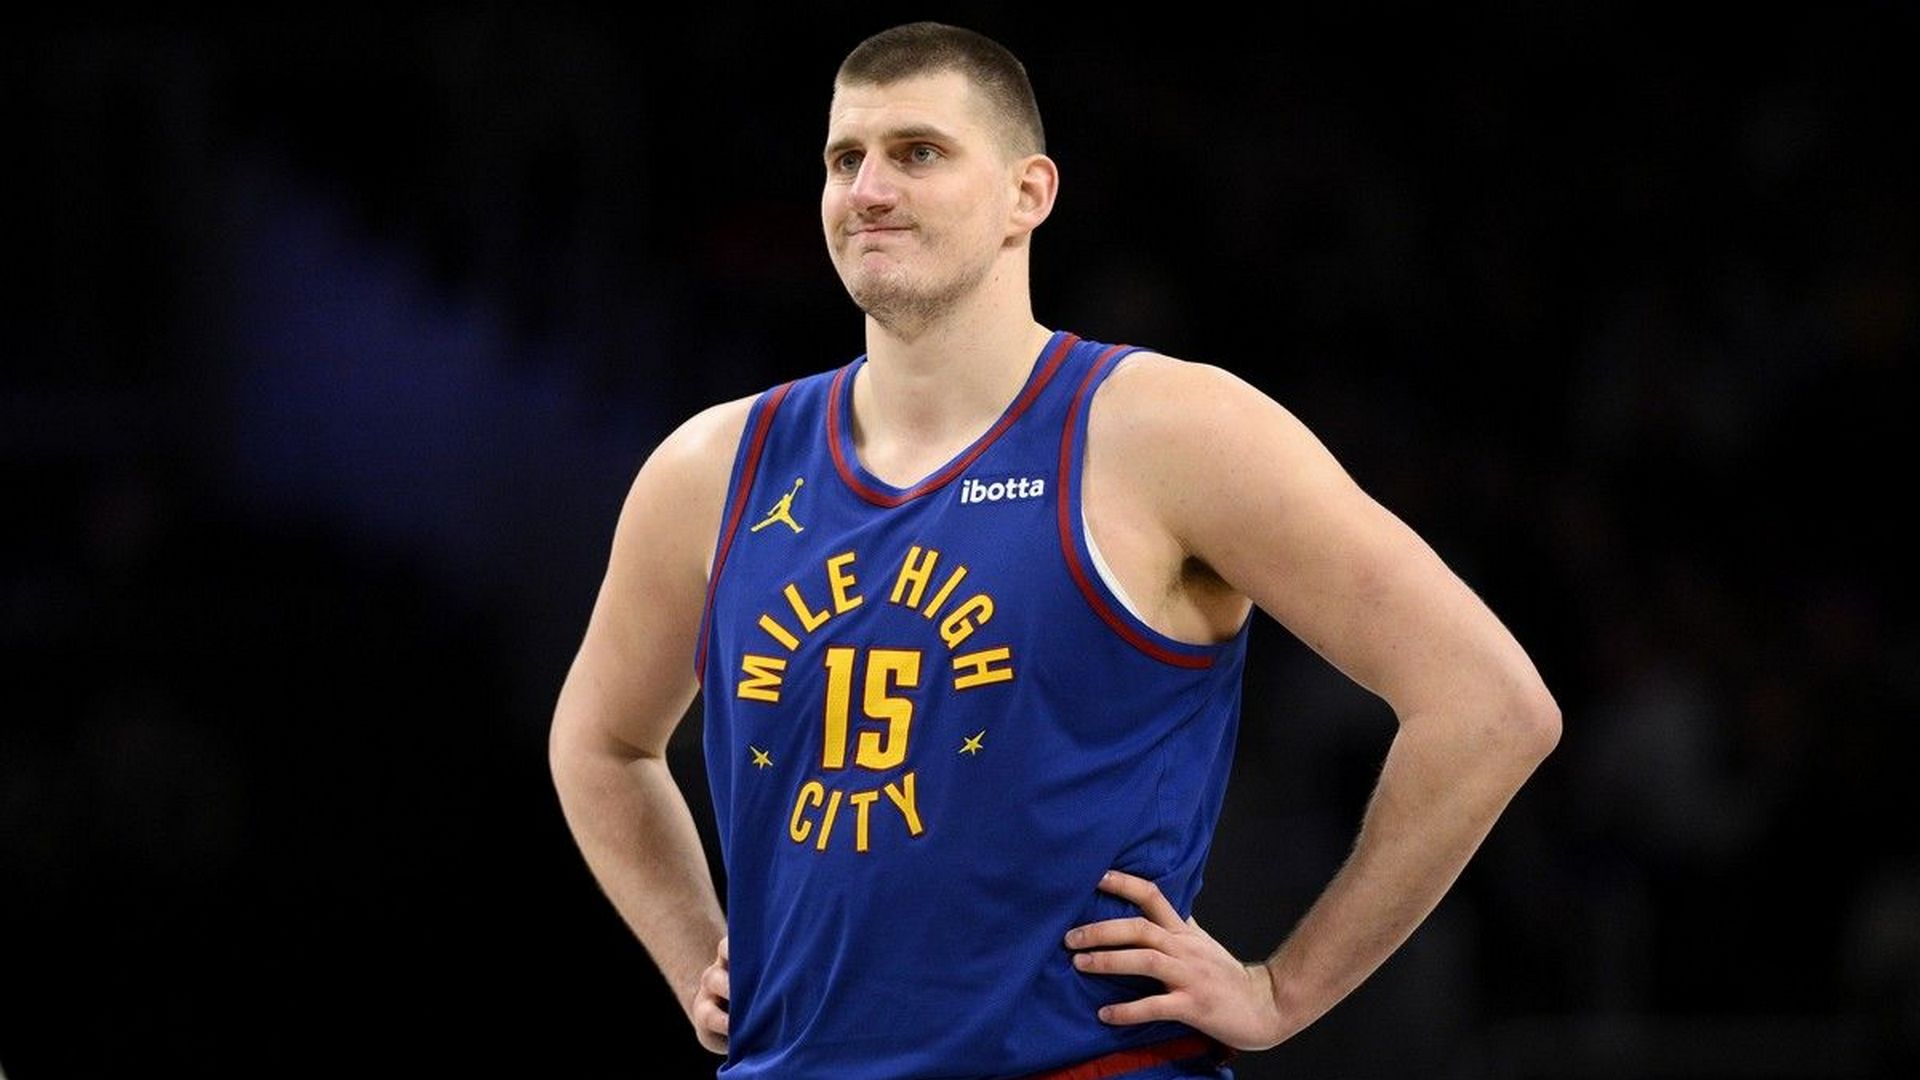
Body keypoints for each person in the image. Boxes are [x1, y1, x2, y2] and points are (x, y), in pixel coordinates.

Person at [548, 20, 1560, 1079]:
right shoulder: (712, 468)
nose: (869, 190)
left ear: (1027, 194)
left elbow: (1491, 708)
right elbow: (600, 743)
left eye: (918, 152)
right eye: (845, 160)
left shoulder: (1169, 431)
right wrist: (694, 953)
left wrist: (1282, 991)